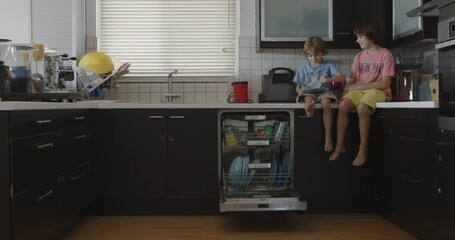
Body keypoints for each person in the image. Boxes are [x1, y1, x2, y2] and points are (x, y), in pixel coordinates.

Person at [329, 19, 395, 166]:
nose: (357, 40)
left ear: (370, 34)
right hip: (359, 89)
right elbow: (352, 78)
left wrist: (358, 87)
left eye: (360, 36)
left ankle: (363, 149)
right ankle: (340, 145)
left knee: (362, 107)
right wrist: (345, 92)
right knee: (343, 106)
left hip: (378, 90)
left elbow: (385, 83)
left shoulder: (386, 55)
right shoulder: (359, 56)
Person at [293, 36, 346, 152]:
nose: (313, 58)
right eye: (310, 55)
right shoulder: (303, 68)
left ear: (322, 53)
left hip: (324, 91)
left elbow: (342, 77)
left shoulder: (327, 65)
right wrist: (299, 91)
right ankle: (309, 109)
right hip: (309, 92)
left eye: (316, 55)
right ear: (307, 55)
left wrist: (327, 80)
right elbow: (297, 86)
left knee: (326, 103)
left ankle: (328, 137)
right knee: (309, 99)